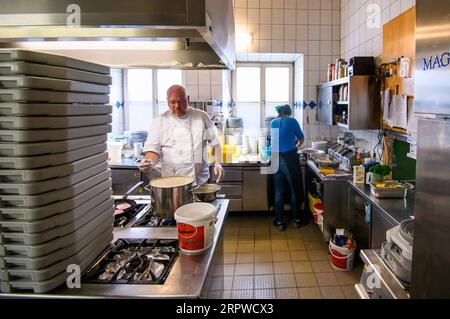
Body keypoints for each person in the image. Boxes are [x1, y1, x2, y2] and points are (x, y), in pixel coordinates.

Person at [138, 84, 224, 185]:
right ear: (167, 101)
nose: (177, 106)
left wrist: (218, 163)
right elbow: (153, 151)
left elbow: (215, 144)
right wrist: (149, 163)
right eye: (172, 102)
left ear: (187, 98)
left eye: (181, 101)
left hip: (200, 182)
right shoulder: (159, 121)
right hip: (172, 183)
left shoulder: (201, 117)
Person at [270, 104, 306, 231]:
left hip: (275, 159)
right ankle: (296, 220)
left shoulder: (273, 122)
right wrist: (296, 146)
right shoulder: (293, 121)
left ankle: (279, 222)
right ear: (289, 112)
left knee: (278, 191)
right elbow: (301, 139)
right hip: (289, 158)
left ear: (279, 113)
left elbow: (274, 141)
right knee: (294, 189)